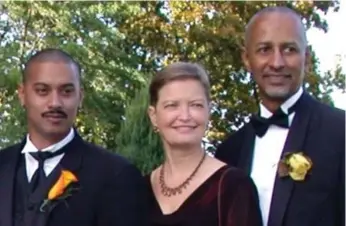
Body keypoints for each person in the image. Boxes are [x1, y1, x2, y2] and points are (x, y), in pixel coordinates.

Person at [215, 6, 345, 226]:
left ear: (307, 57)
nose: (277, 63)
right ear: (247, 59)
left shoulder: (340, 132)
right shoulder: (229, 151)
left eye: (289, 49)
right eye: (265, 49)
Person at [0, 48, 149, 226]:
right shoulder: (3, 165)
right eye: (42, 90)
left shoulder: (116, 175)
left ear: (80, 96)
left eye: (66, 91)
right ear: (22, 95)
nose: (55, 103)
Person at [146, 62, 263, 226]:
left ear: (208, 110)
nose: (185, 116)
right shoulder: (140, 189)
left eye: (195, 105)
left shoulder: (233, 186)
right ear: (153, 115)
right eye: (172, 105)